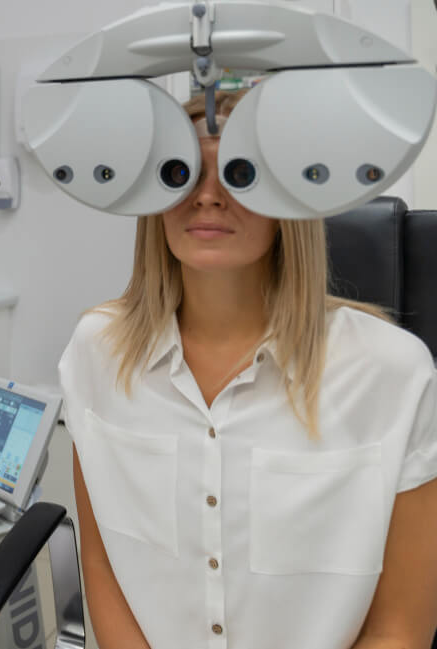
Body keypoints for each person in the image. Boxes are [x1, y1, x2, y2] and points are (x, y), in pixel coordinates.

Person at [59, 90, 437, 649]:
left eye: (242, 174)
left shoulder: (390, 372)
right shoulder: (98, 352)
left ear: (287, 194)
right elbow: (105, 572)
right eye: (180, 173)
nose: (207, 197)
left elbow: (400, 628)